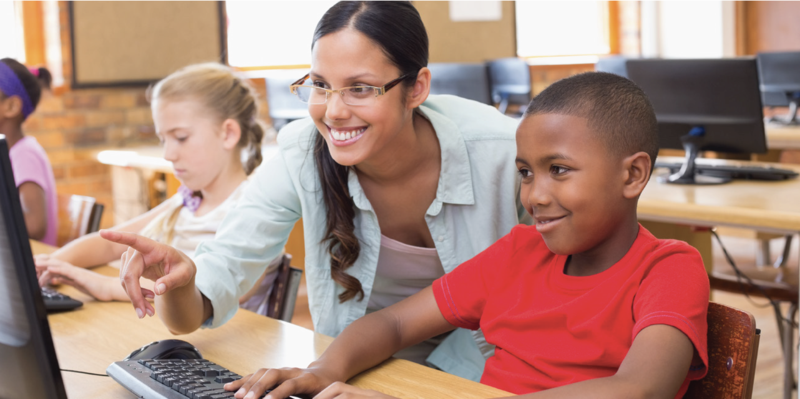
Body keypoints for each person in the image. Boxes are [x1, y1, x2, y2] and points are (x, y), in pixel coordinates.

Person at [101, 1, 530, 381]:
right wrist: (181, 282)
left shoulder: (503, 153)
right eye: (321, 85)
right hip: (359, 365)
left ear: (416, 88)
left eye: (360, 88)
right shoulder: (302, 153)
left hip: (490, 369)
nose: (334, 111)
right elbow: (213, 285)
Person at [224, 72, 711, 399]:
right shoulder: (520, 251)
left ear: (632, 175)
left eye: (559, 170)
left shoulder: (668, 268)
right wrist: (323, 371)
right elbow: (394, 325)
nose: (535, 195)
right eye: (525, 172)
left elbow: (641, 388)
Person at [36, 63, 276, 308]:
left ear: (228, 134)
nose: (168, 154)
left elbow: (212, 289)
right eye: (163, 140)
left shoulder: (256, 209)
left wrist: (104, 286)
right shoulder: (187, 200)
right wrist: (51, 263)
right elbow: (110, 245)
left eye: (181, 138)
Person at [0, 58, 57, 245]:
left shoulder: (24, 154)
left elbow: (34, 225)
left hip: (35, 260)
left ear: (12, 106)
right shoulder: (11, 153)